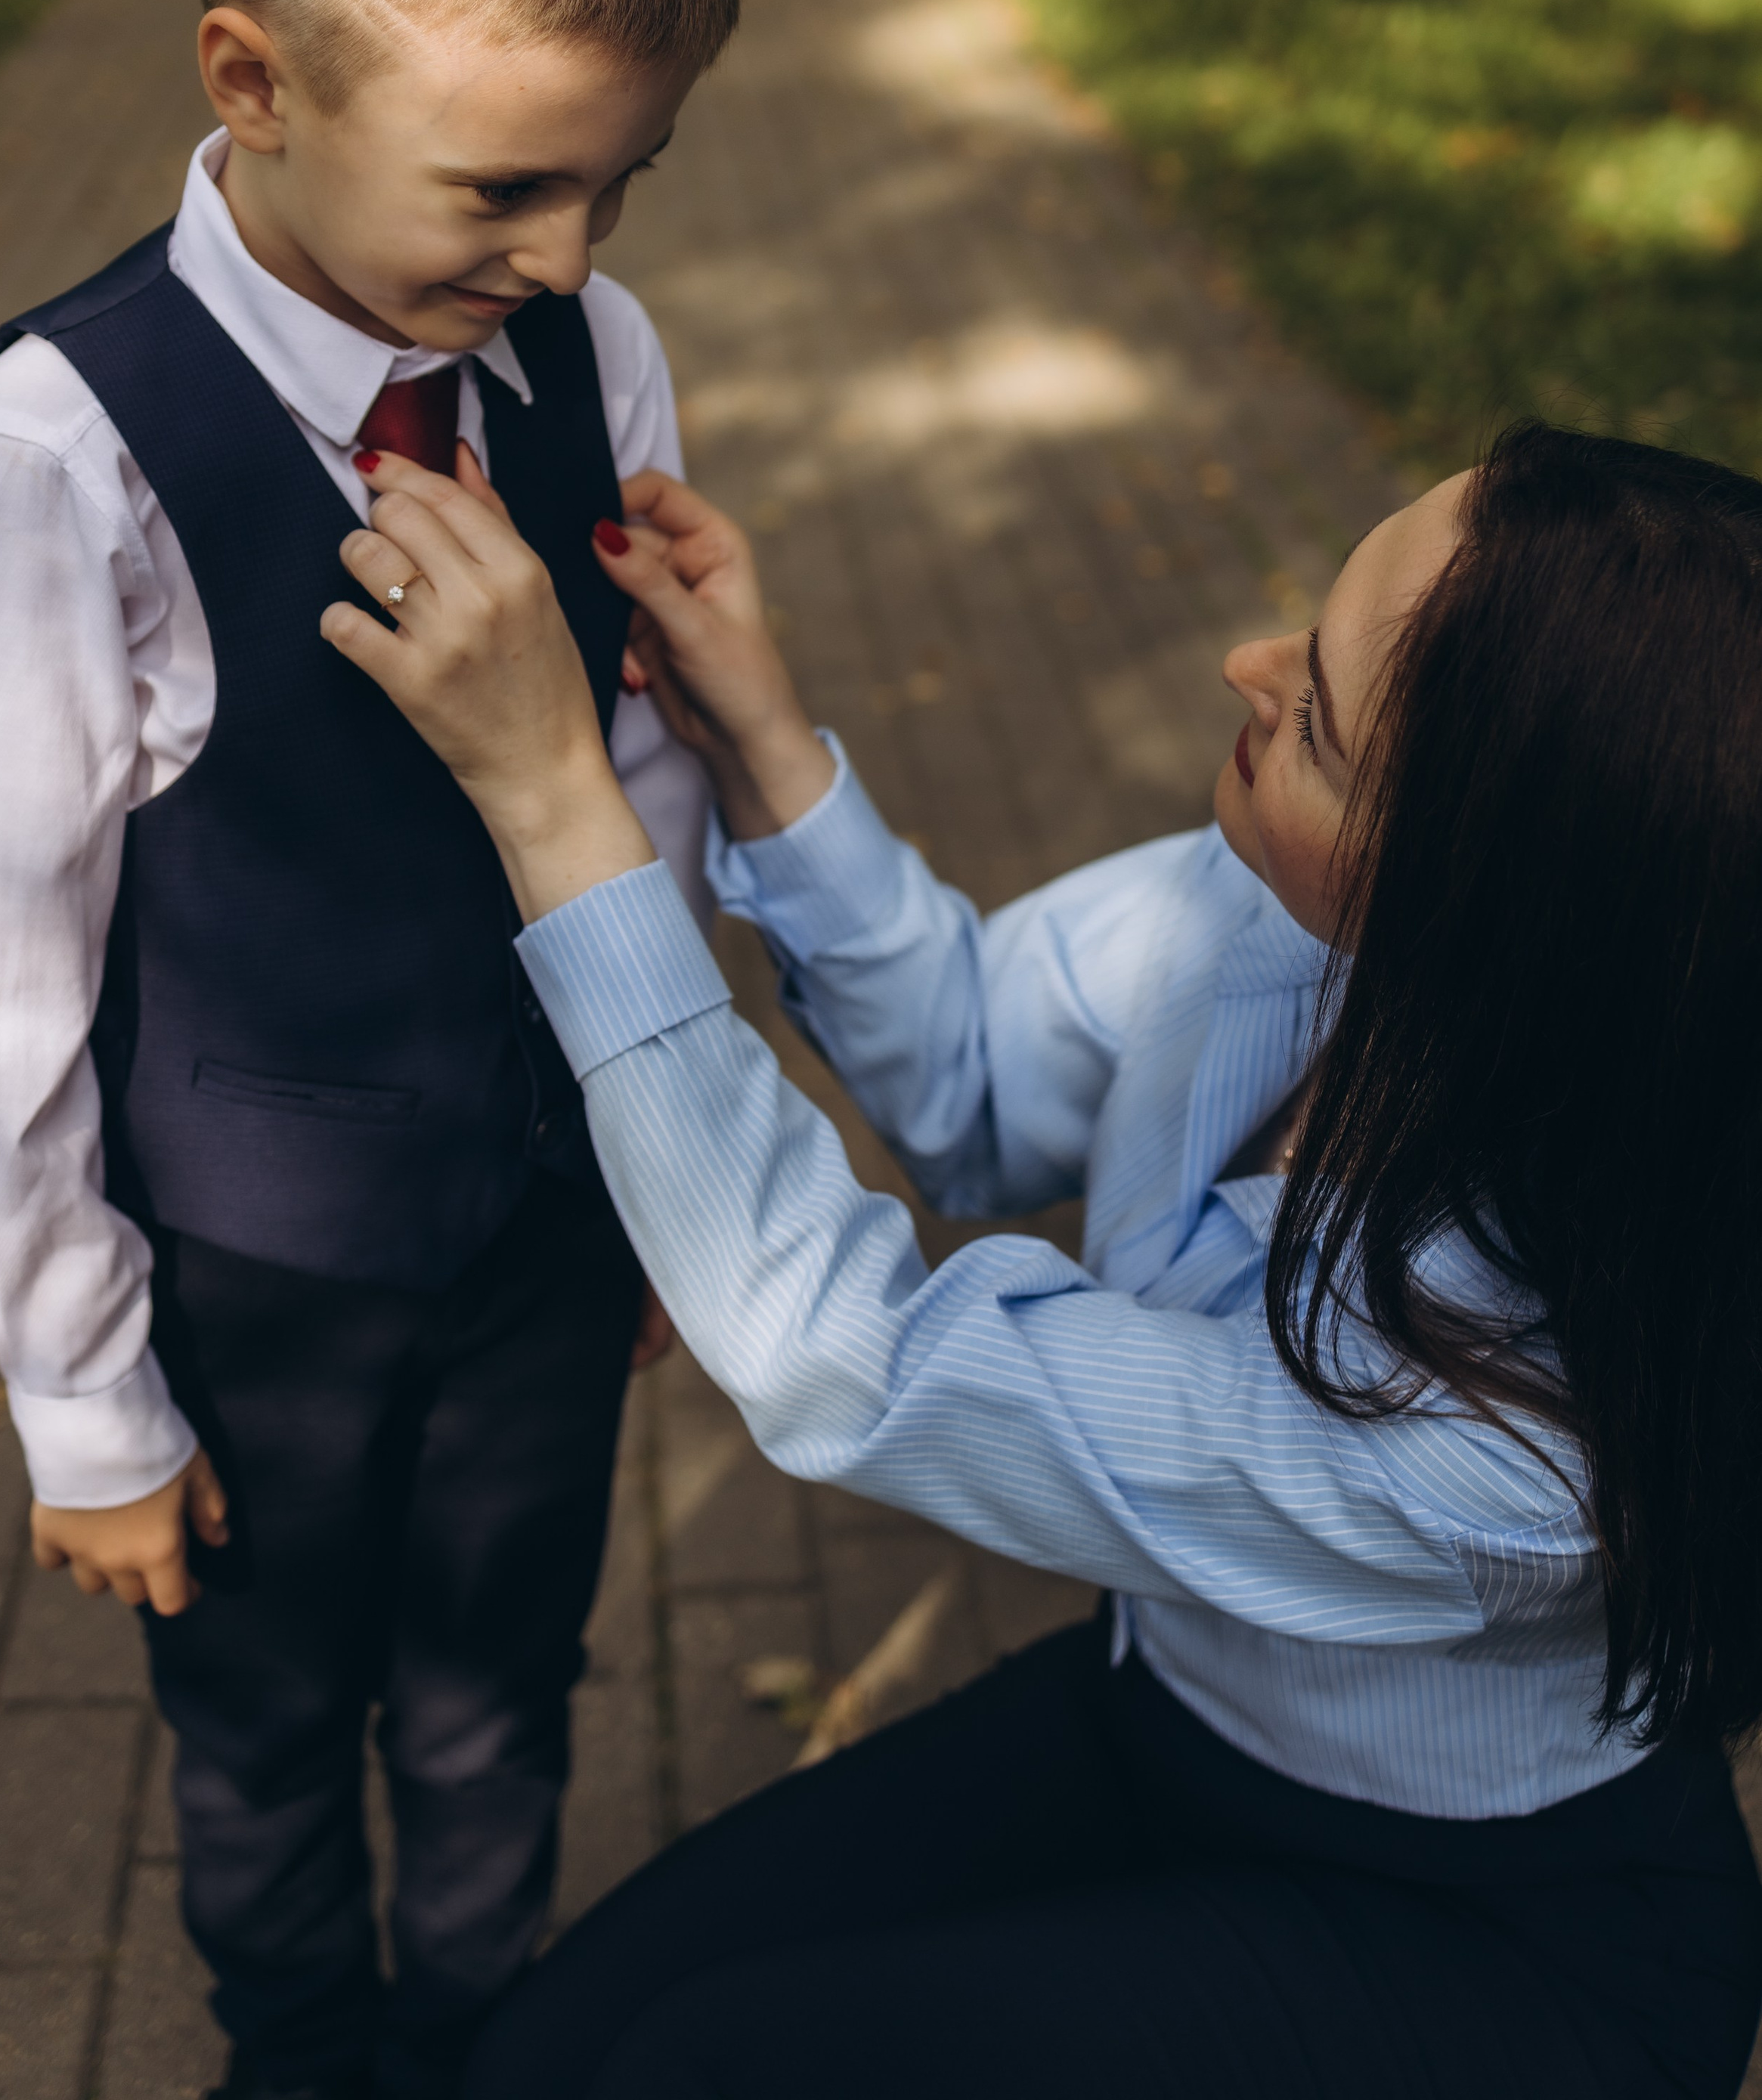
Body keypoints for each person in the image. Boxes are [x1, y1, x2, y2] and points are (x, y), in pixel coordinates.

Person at [315, 421, 1762, 2100]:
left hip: (1484, 1938)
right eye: (1311, 623)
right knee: (562, 2050)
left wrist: (552, 804)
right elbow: (975, 1085)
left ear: (1477, 909)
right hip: (1169, 1714)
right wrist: (764, 749)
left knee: (713, 2062)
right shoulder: (1291, 914)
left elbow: (844, 1353)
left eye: (1312, 722)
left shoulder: (1514, 1449)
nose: (1246, 663)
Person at [0, 0, 742, 2100]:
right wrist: (82, 1404)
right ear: (253, 76)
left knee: (498, 1691)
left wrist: (676, 1173)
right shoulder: (66, 457)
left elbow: (640, 776)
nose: (565, 255)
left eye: (618, 178)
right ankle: (305, 2054)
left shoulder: (585, 350)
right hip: (255, 1288)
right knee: (259, 1733)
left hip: (545, 1229)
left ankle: (477, 2031)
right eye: (504, 185)